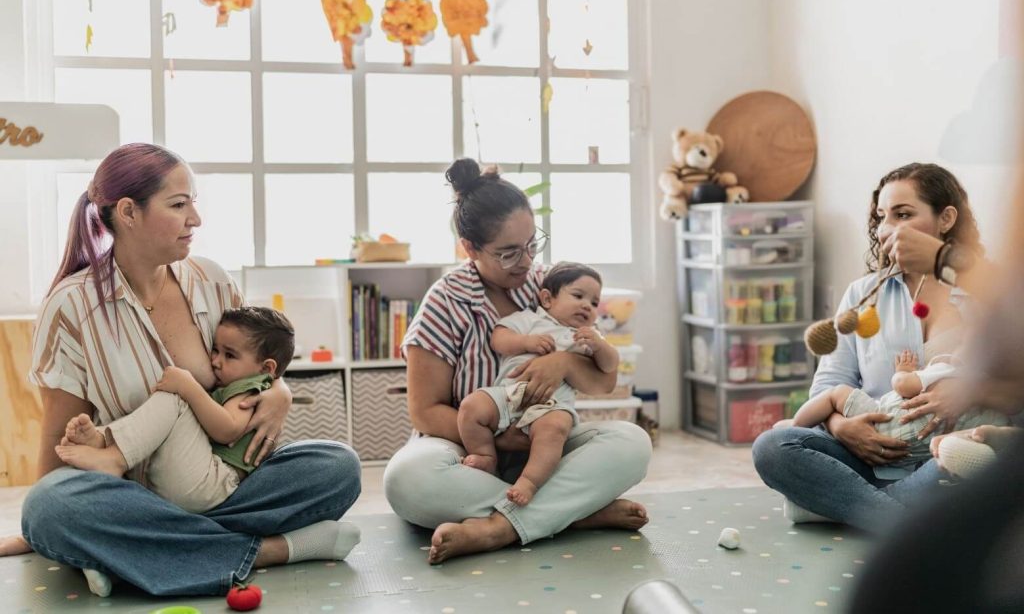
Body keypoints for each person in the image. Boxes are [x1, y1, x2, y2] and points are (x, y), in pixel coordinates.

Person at [0, 143, 361, 597]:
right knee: (50, 506)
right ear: (129, 212)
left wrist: (280, 390)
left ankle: (133, 550)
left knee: (338, 466)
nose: (196, 219)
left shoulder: (212, 280)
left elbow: (255, 362)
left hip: (222, 485)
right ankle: (272, 549)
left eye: (194, 202)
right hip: (130, 496)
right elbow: (59, 440)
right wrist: (41, 526)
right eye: (178, 204)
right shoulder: (72, 307)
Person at [383, 158, 652, 564]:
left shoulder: (549, 288)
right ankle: (572, 513)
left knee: (633, 442)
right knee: (407, 480)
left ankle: (499, 527)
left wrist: (561, 363)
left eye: (532, 244)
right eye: (509, 253)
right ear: (469, 248)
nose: (526, 262)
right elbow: (424, 412)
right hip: (468, 446)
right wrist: (496, 439)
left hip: (545, 440)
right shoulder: (445, 301)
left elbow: (600, 384)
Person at [752, 163, 1006, 532]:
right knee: (773, 447)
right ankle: (902, 522)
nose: (888, 228)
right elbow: (828, 386)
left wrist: (969, 392)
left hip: (946, 456)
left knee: (979, 460)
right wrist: (842, 428)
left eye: (903, 215)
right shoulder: (862, 295)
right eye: (882, 217)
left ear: (946, 218)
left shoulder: (987, 291)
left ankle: (850, 507)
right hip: (867, 456)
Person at [459, 262, 619, 506]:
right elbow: (499, 338)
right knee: (471, 407)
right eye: (578, 296)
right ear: (547, 299)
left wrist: (600, 345)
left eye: (594, 302)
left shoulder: (587, 335)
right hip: (508, 394)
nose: (587, 305)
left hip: (552, 406)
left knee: (554, 429)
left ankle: (530, 482)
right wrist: (526, 342)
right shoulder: (529, 320)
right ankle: (485, 455)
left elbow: (609, 367)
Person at [792, 349, 1008, 477]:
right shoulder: (996, 414)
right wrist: (838, 427)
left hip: (882, 419)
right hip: (908, 455)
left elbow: (903, 385)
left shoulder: (947, 371)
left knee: (834, 394)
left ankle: (794, 427)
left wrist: (904, 371)